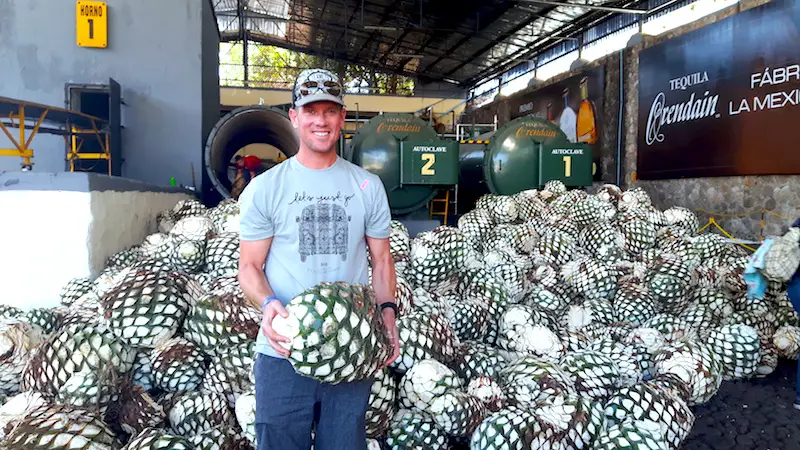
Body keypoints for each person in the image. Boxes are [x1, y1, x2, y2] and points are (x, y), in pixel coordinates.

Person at [237, 68, 401, 450]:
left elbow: (381, 260)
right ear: (294, 117)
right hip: (283, 348)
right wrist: (269, 304)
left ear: (343, 118)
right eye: (311, 110)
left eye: (330, 111)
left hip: (352, 343)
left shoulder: (367, 186)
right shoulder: (266, 189)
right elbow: (249, 267)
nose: (321, 121)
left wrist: (388, 313)